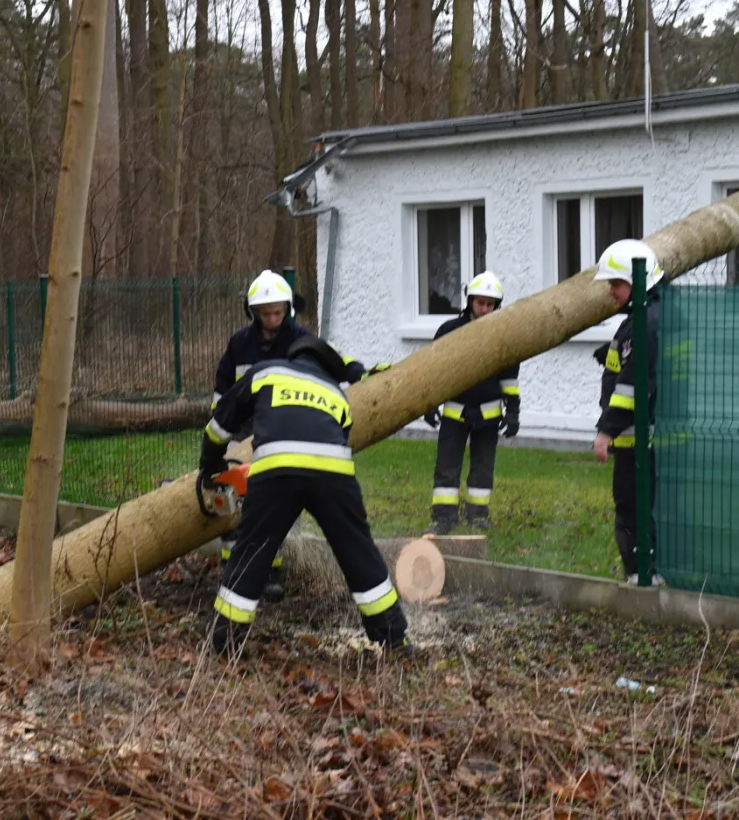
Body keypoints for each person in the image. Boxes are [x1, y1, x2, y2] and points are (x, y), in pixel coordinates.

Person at [199, 334, 411, 657]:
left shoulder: (266, 371)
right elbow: (337, 436)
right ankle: (395, 639)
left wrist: (211, 466)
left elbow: (219, 426)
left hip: (276, 473)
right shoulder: (336, 394)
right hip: (335, 474)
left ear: (294, 356)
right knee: (359, 551)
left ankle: (225, 643)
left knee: (252, 550)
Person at [211, 269, 381, 600]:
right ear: (254, 312)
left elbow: (337, 361)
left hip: (275, 433)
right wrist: (219, 428)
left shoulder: (301, 339)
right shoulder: (239, 344)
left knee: (270, 504)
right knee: (233, 505)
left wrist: (363, 373)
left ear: (287, 308)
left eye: (277, 312)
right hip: (242, 432)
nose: (272, 319)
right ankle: (235, 572)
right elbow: (223, 392)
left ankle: (270, 572)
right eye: (265, 313)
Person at [591, 240, 665, 586]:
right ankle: (643, 572)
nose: (611, 292)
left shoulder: (643, 323)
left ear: (638, 281)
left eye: (616, 284)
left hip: (637, 439)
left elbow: (632, 387)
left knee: (633, 506)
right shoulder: (645, 318)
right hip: (642, 437)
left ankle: (642, 576)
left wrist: (606, 430)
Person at [423, 271, 521, 533]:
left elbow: (509, 379)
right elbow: (434, 370)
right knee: (446, 467)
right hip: (454, 413)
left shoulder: (505, 336)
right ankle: (443, 517)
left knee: (482, 468)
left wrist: (513, 413)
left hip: (489, 416)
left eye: (491, 305)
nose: (485, 309)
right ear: (469, 301)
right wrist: (429, 404)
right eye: (480, 303)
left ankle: (477, 515)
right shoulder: (449, 331)